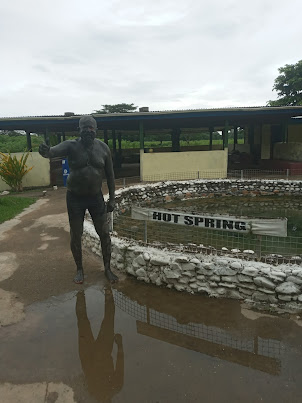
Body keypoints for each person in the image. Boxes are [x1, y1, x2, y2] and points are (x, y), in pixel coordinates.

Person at [39, 115, 118, 283]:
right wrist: (47, 151)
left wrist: (112, 198)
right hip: (75, 198)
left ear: (96, 130)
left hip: (96, 198)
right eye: (85, 127)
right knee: (76, 234)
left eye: (91, 128)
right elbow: (53, 151)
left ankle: (108, 269)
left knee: (104, 233)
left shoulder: (103, 149)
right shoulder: (71, 146)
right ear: (79, 129)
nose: (88, 130)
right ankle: (80, 269)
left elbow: (110, 177)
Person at [76, 288, 124, 401]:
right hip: (104, 352)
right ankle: (108, 293)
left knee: (83, 323)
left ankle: (80, 295)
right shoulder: (115, 387)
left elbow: (85, 373)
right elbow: (120, 366)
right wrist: (120, 346)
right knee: (108, 320)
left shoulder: (92, 391)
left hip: (88, 354)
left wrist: (120, 346)